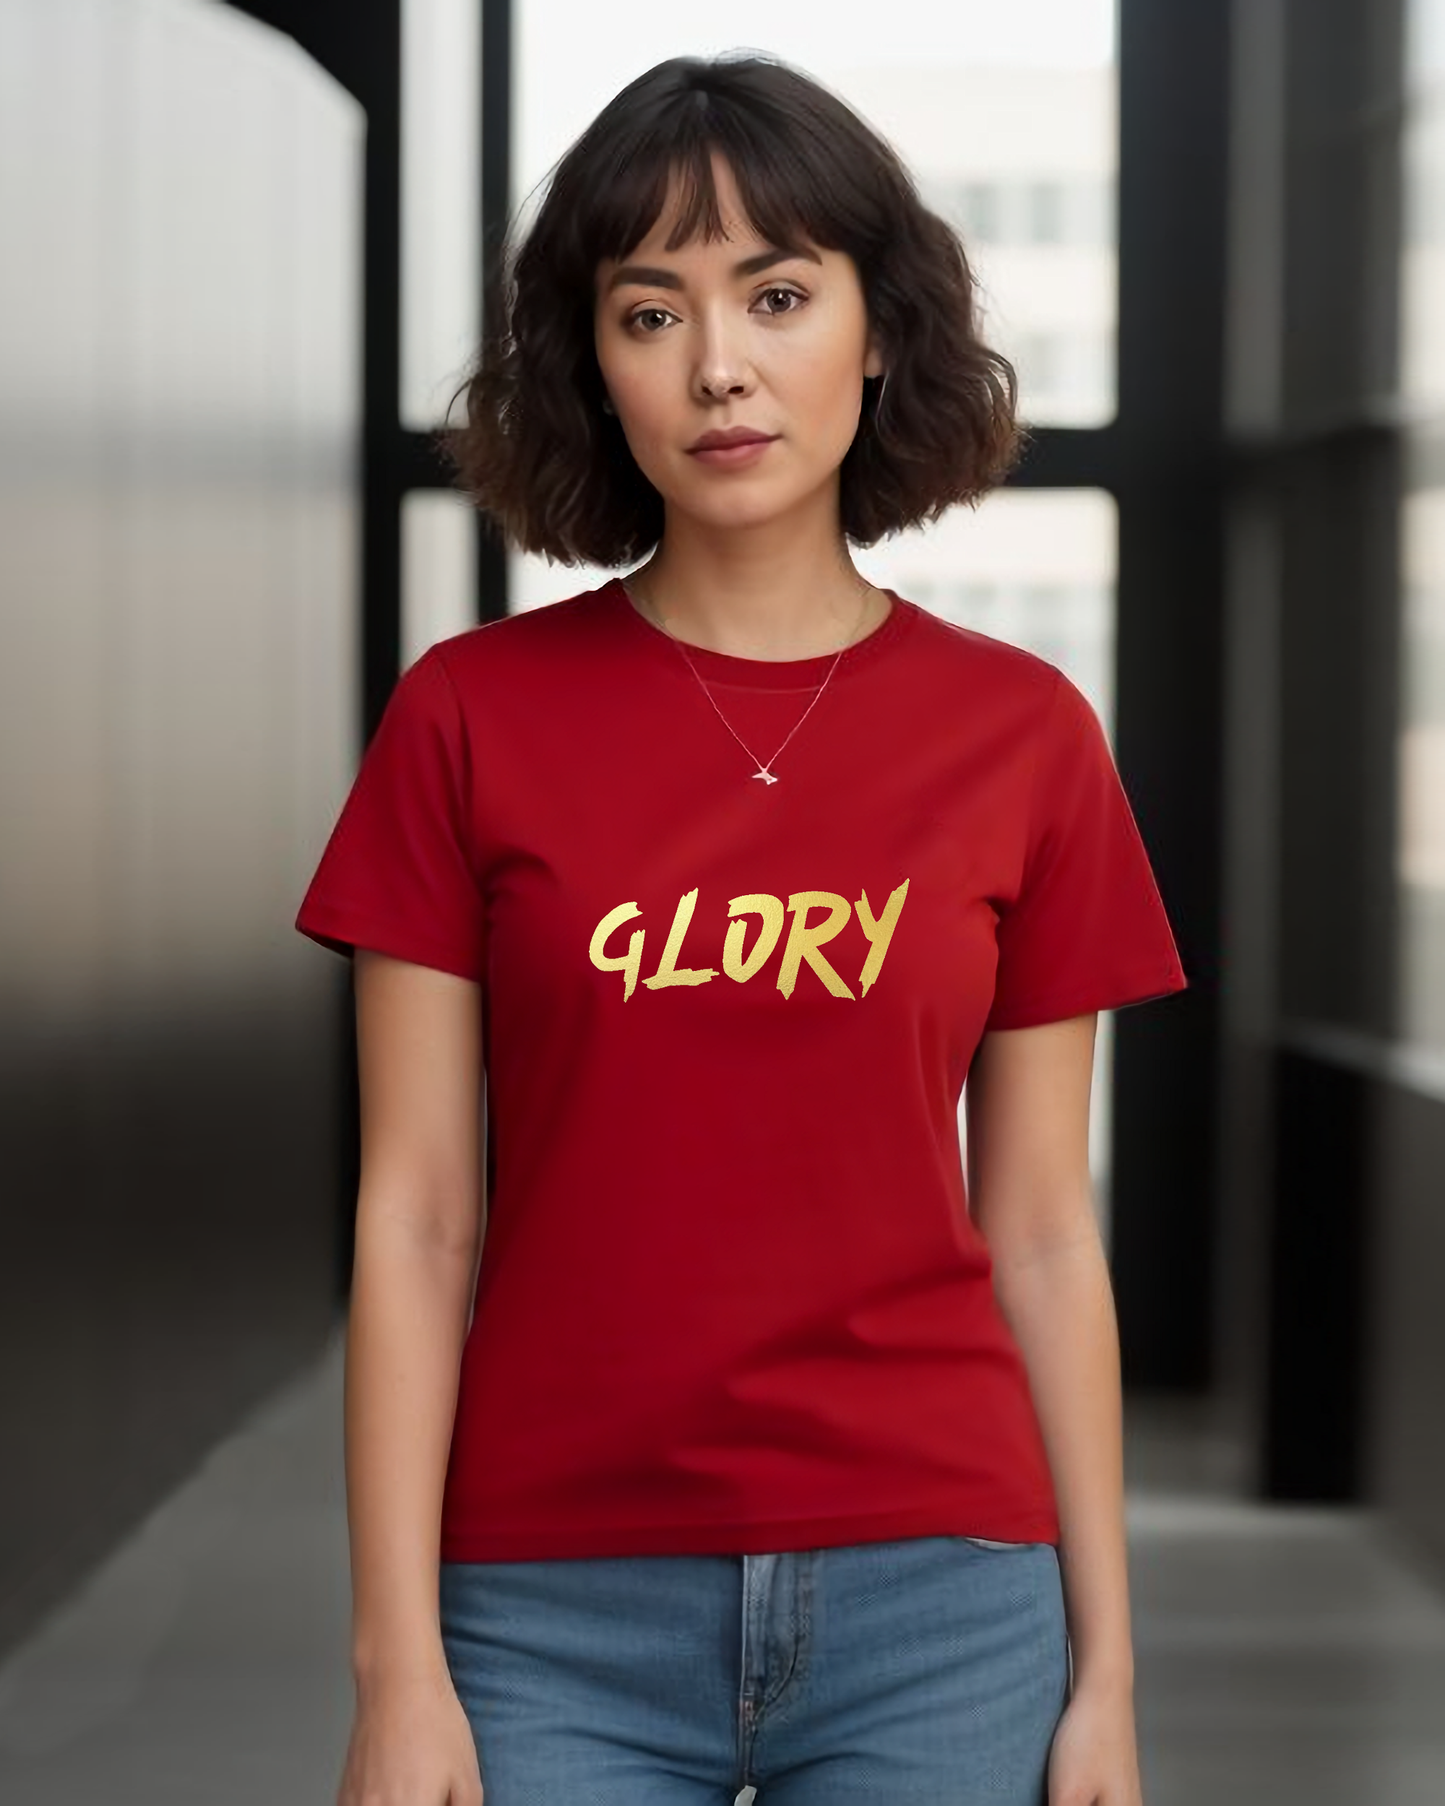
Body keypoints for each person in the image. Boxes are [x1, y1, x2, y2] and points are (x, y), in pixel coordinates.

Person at [295, 50, 1188, 1806]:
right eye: (652, 310)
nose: (720, 365)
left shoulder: (1022, 737)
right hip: (548, 1605)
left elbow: (1040, 1234)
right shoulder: (470, 717)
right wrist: (399, 1665)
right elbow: (414, 1215)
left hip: (941, 1592)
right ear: (593, 365)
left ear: (877, 329)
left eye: (777, 295)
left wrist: (1112, 1669)